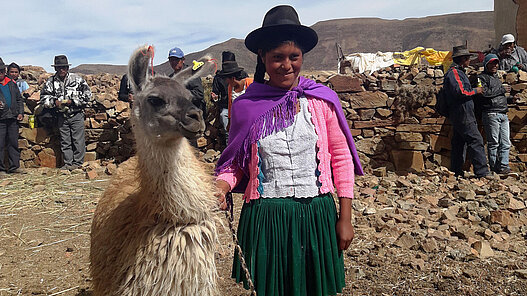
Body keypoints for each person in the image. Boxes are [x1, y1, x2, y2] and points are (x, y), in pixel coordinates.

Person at [214, 5, 363, 296]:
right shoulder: (246, 107)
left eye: (293, 57)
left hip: (316, 214)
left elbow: (342, 158)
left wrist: (345, 218)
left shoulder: (321, 102)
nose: (286, 65)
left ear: (302, 57)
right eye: (277, 58)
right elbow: (236, 164)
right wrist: (220, 186)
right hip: (267, 216)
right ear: (263, 58)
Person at [40, 55, 92, 170]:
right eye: (59, 67)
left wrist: (72, 101)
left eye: (63, 67)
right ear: (55, 69)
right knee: (65, 141)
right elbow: (43, 98)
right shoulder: (51, 82)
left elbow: (88, 95)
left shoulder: (77, 79)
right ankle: (68, 164)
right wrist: (54, 102)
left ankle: (78, 164)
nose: (61, 70)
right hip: (61, 116)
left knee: (78, 140)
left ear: (67, 68)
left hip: (76, 114)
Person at [444, 45, 489, 178]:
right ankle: (482, 172)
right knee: (475, 140)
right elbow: (461, 91)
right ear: (463, 59)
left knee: (459, 142)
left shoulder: (457, 72)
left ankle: (456, 171)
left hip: (459, 112)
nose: (469, 61)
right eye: (468, 58)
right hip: (462, 112)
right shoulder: (455, 73)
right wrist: (476, 91)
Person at [477, 54, 515, 174]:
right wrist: (502, 90)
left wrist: (511, 99)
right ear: (486, 64)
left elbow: (498, 96)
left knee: (505, 142)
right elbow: (485, 93)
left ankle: (504, 166)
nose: (495, 65)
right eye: (492, 63)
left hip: (503, 113)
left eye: (496, 63)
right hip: (491, 113)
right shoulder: (481, 78)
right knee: (493, 143)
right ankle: (494, 168)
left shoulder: (496, 79)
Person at [211, 51, 248, 144]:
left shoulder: (247, 80)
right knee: (224, 115)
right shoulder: (220, 79)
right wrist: (214, 97)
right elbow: (215, 93)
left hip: (246, 111)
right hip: (226, 107)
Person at [216, 57, 253, 137]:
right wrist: (229, 122)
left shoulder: (250, 83)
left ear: (233, 78)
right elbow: (230, 105)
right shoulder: (231, 87)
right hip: (238, 121)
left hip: (251, 122)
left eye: (227, 79)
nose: (226, 81)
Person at [0, 58, 24, 174]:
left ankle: (14, 166)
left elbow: (19, 99)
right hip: (1, 119)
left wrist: (20, 112)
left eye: (1, 71)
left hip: (13, 118)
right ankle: (1, 169)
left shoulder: (11, 83)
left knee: (13, 142)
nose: (0, 74)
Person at [167, 47, 206, 116]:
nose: (173, 62)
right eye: (171, 60)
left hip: (193, 114)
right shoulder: (170, 78)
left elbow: (199, 94)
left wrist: (181, 94)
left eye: (176, 59)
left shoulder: (191, 73)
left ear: (183, 60)